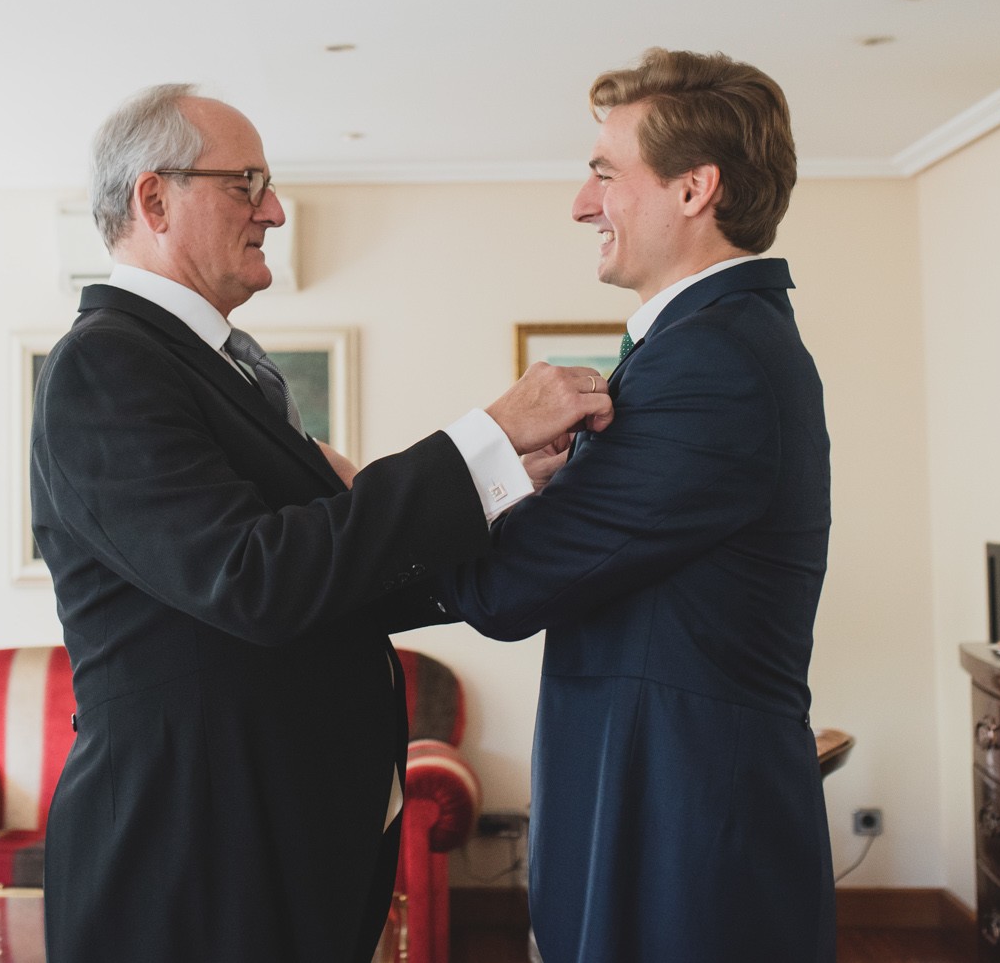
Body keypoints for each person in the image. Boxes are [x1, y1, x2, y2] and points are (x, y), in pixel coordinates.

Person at [31, 84, 611, 963]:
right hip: (191, 863)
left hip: (269, 848)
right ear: (155, 199)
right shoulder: (107, 363)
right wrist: (482, 441)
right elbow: (256, 578)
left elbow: (329, 576)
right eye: (247, 182)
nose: (275, 209)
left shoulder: (214, 370)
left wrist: (499, 490)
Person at [432, 49, 836, 962]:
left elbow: (506, 590)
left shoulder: (713, 362)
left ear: (695, 188)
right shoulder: (700, 346)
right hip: (659, 816)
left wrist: (425, 482)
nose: (583, 202)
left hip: (684, 844)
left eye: (606, 173)